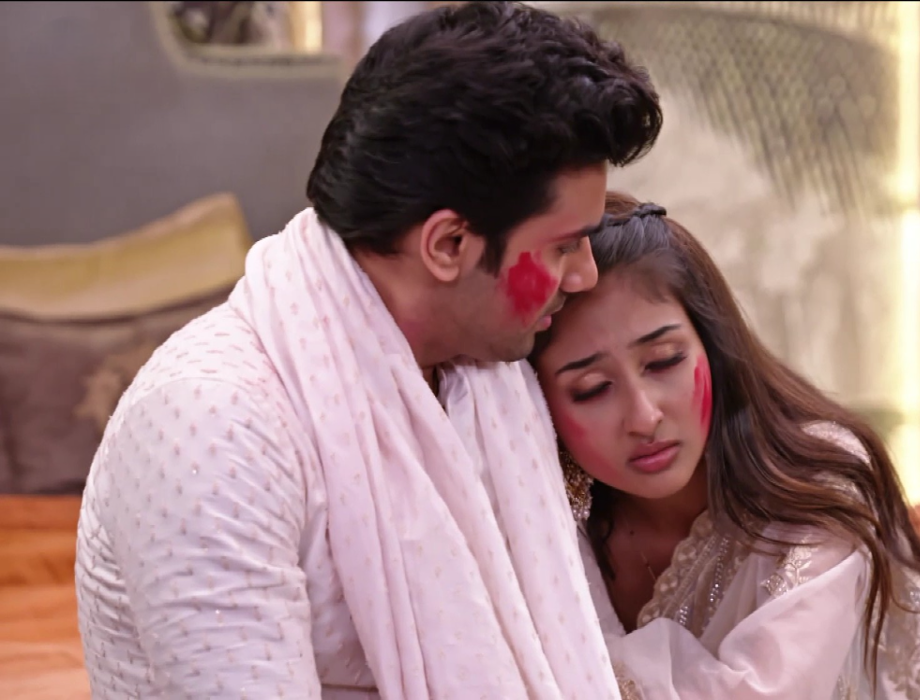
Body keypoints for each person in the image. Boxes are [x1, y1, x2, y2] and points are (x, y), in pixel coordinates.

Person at [74, 3, 662, 698]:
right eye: (564, 247)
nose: (585, 275)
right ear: (448, 244)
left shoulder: (492, 377)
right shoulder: (216, 427)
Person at [531, 193, 920, 699]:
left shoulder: (815, 491)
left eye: (664, 361)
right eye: (592, 389)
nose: (644, 416)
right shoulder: (542, 516)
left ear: (712, 346)